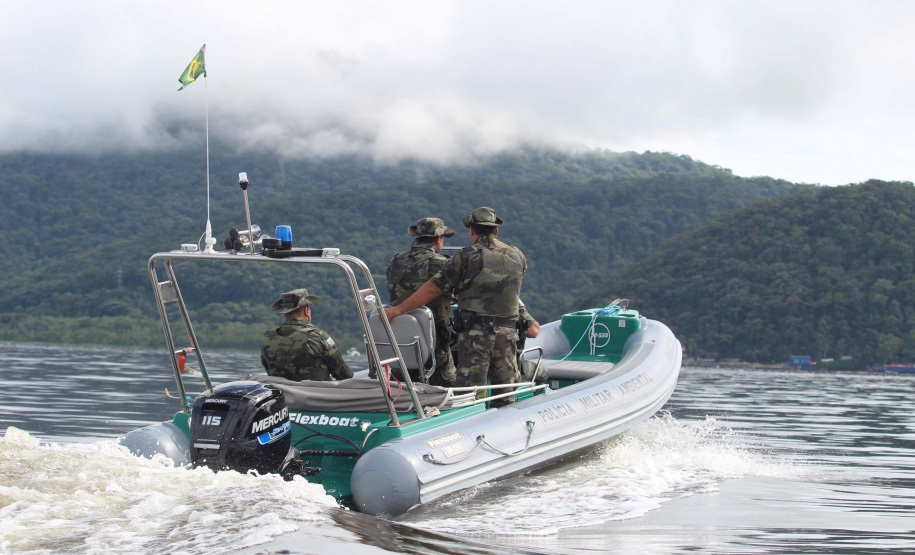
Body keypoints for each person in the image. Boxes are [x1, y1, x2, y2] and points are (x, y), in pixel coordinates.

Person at [384, 207, 526, 406]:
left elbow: (434, 288)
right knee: (505, 395)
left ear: (472, 231)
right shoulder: (517, 255)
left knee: (470, 397)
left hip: (475, 336)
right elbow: (508, 289)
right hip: (508, 333)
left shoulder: (465, 256)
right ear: (496, 231)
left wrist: (398, 309)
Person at [385, 217, 458, 387]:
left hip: (400, 340)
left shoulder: (396, 261)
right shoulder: (441, 264)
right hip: (433, 342)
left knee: (402, 387)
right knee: (450, 385)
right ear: (439, 239)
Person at [261, 288, 353, 381]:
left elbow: (270, 372)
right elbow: (345, 375)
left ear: (284, 313)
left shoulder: (268, 338)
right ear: (306, 310)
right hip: (315, 395)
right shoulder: (318, 337)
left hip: (284, 394)